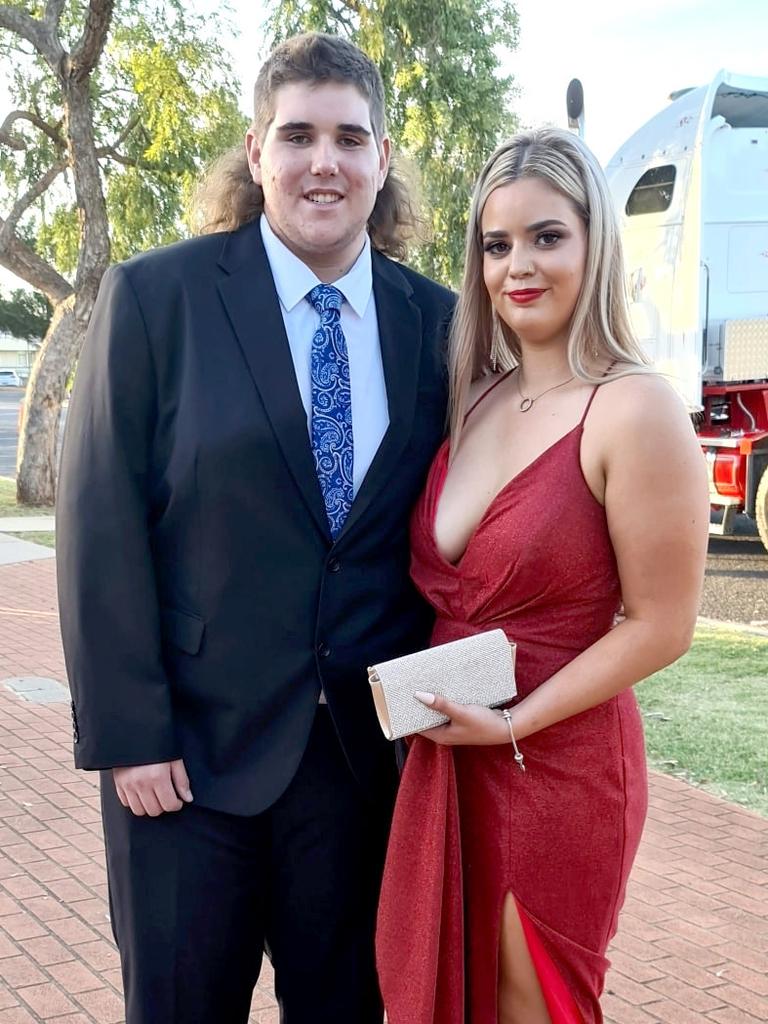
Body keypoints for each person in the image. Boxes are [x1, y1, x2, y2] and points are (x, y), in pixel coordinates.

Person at [56, 31, 454, 1024]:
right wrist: (129, 735)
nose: (326, 160)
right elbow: (101, 520)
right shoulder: (159, 299)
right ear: (255, 152)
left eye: (351, 137)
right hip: (186, 768)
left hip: (365, 774)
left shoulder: (442, 325)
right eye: (299, 134)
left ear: (383, 160)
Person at [376, 127, 709, 1024]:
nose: (518, 265)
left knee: (534, 1004)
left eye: (547, 236)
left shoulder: (633, 406)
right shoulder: (475, 394)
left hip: (553, 764)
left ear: (595, 242)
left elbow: (662, 624)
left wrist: (513, 722)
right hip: (450, 752)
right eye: (497, 243)